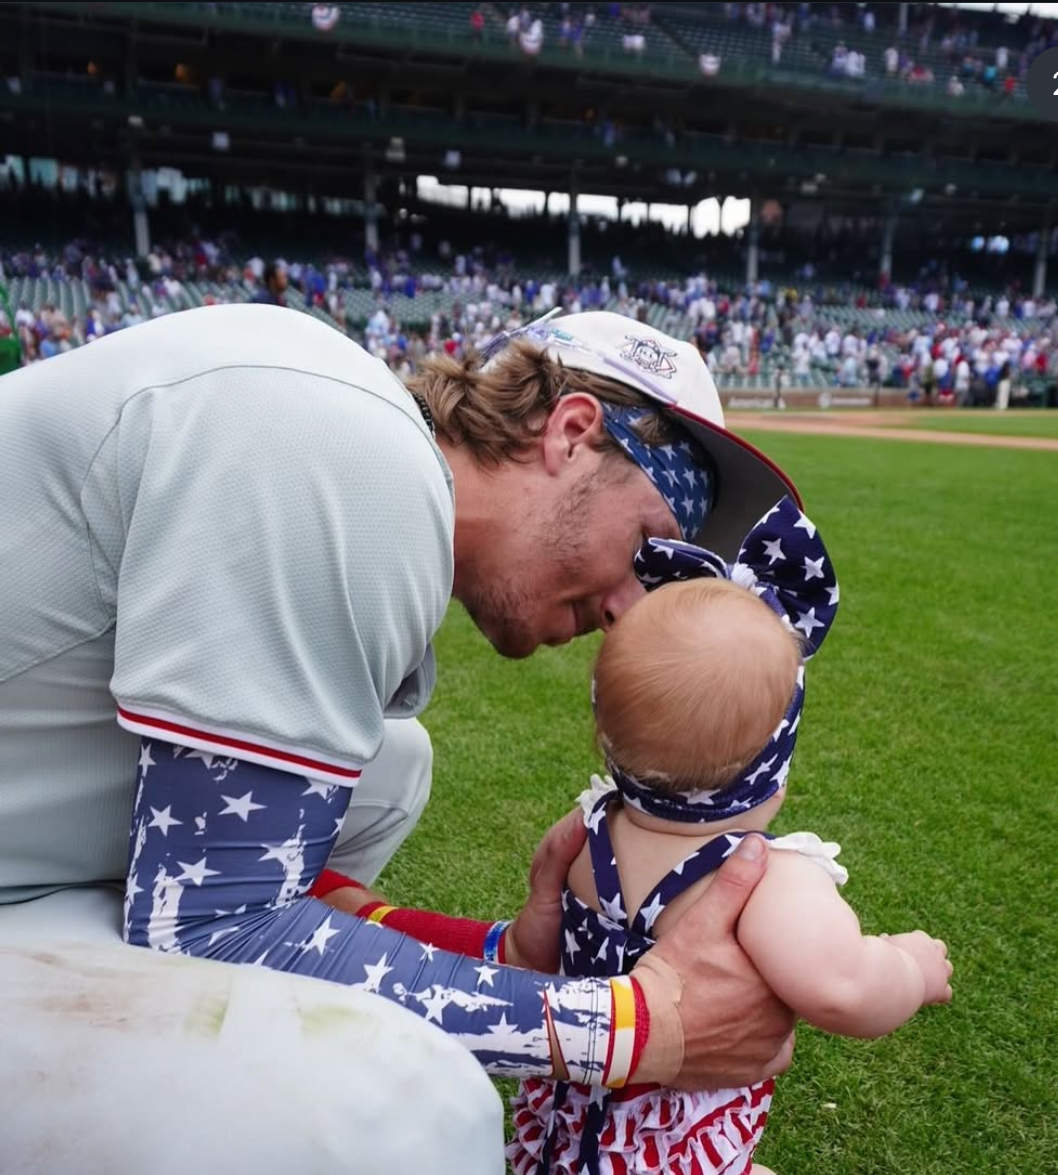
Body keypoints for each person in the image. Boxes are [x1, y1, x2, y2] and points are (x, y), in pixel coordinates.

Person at [0, 307, 799, 1173]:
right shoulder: (350, 455)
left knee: (388, 765)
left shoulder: (351, 429)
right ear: (570, 433)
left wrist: (505, 958)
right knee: (419, 1108)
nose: (626, 612)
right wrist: (634, 1028)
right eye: (647, 545)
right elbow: (209, 925)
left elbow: (220, 873)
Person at [498, 504, 950, 1174]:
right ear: (773, 767)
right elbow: (841, 988)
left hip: (571, 1120)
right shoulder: (766, 878)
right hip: (663, 1149)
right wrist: (910, 967)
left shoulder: (584, 836)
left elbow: (533, 949)